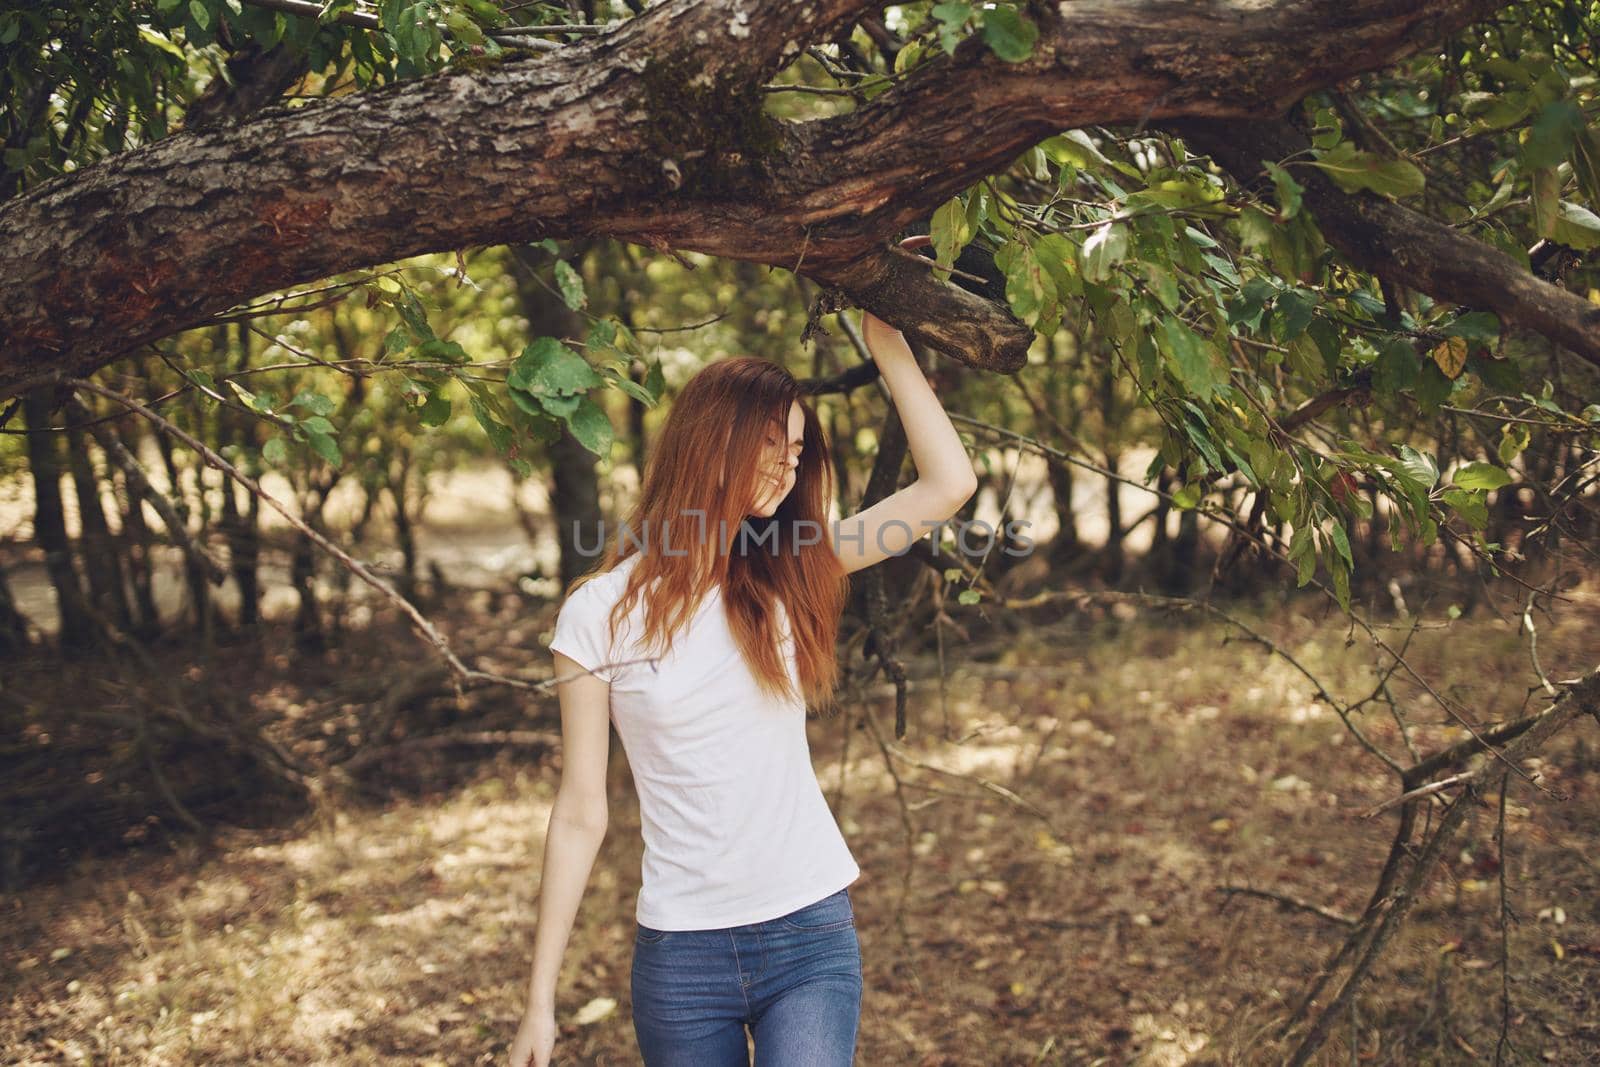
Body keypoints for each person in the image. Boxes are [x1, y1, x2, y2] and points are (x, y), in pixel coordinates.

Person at [509, 274, 978, 1067]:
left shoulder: (790, 568)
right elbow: (582, 809)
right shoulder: (596, 615)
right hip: (683, 958)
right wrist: (540, 1000)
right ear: (711, 443)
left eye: (795, 451)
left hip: (808, 933)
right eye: (770, 447)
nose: (788, 469)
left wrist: (887, 341)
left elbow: (947, 485)